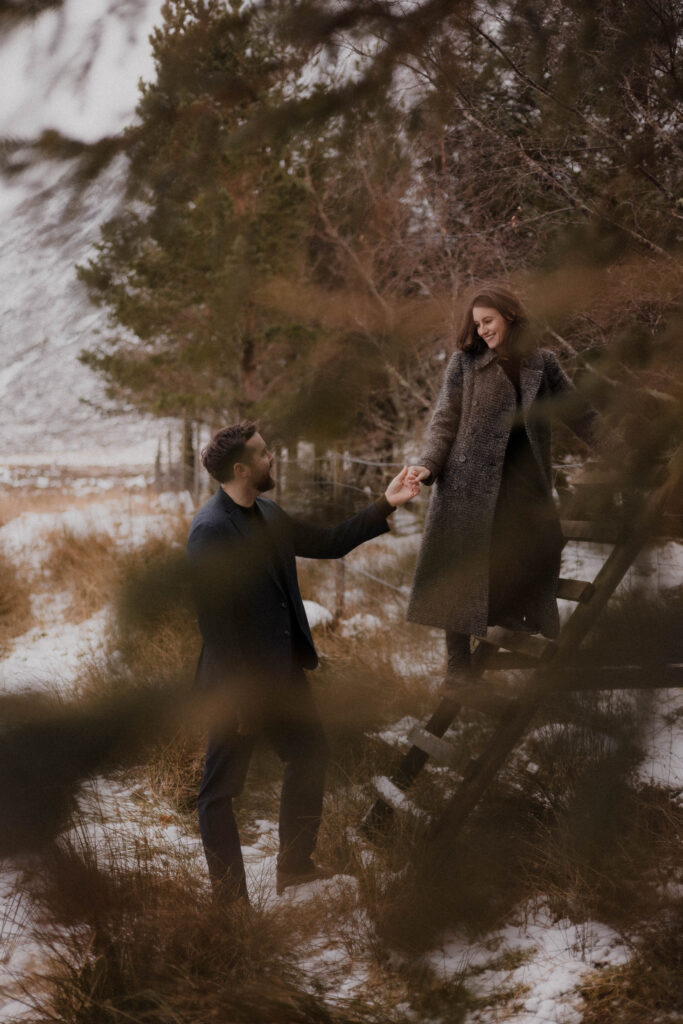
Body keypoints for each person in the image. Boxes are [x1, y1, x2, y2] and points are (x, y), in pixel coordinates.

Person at [187, 422, 418, 900]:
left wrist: (385, 504)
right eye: (265, 454)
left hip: (284, 674)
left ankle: (294, 867)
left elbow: (329, 542)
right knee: (219, 792)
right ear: (241, 467)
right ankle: (230, 903)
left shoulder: (269, 513)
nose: (274, 459)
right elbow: (216, 625)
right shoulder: (210, 530)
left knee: (310, 755)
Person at [405, 284, 600, 688]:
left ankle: (514, 619)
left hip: (523, 485)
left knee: (531, 547)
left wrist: (622, 450)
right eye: (476, 325)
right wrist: (427, 466)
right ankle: (458, 667)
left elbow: (580, 414)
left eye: (488, 321)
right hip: (466, 483)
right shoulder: (464, 363)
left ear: (510, 315)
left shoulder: (543, 364)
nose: (482, 331)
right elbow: (444, 421)